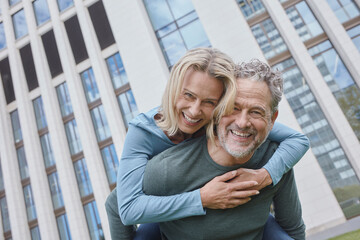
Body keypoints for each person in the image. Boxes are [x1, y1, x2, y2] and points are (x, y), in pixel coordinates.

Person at [105, 48, 309, 239]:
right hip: (164, 206)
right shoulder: (143, 133)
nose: (194, 111)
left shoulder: (227, 122)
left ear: (220, 104)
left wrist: (265, 176)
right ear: (173, 89)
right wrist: (202, 198)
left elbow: (297, 140)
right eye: (188, 95)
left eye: (209, 102)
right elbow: (125, 206)